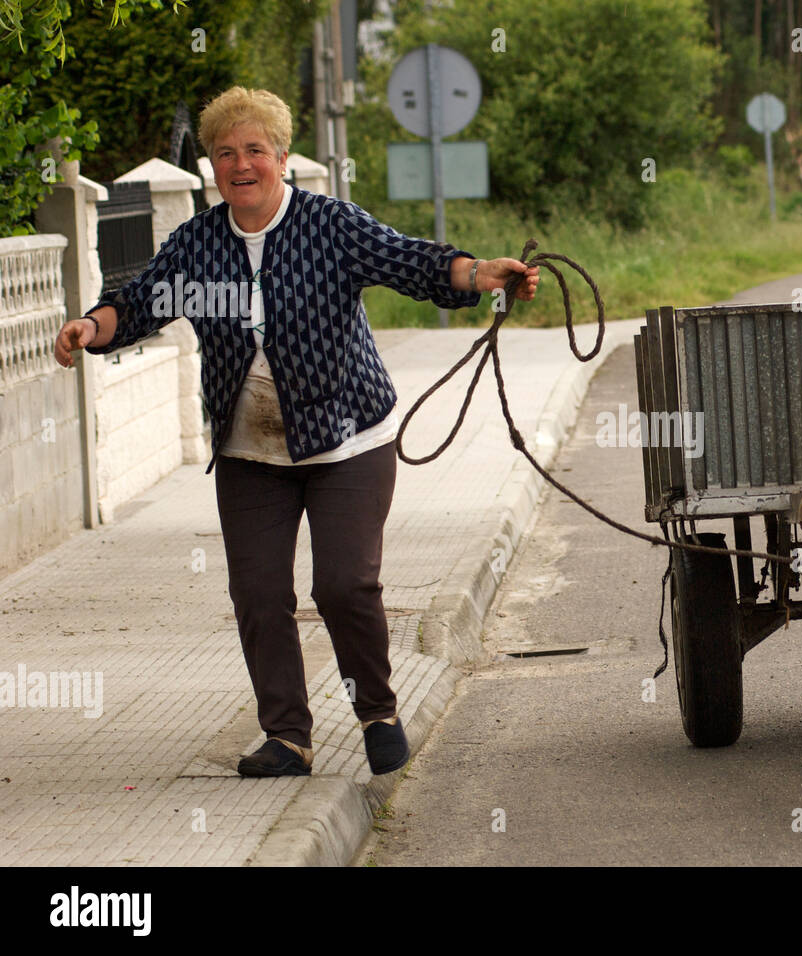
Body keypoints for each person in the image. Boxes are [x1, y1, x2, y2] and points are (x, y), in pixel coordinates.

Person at [53, 87, 539, 778]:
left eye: (255, 150)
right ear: (212, 169)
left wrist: (481, 274)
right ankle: (288, 737)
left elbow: (414, 262)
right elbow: (137, 303)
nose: (241, 164)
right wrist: (89, 328)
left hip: (348, 441)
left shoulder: (331, 225)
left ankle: (377, 711)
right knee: (257, 595)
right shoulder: (196, 243)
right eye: (226, 153)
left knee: (342, 586)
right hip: (251, 451)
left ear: (281, 158)